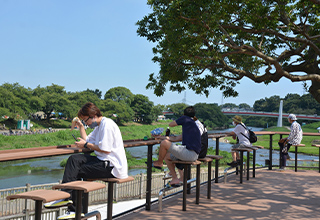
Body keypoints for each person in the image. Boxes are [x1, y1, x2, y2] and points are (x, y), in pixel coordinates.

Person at [45, 102, 128, 219]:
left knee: (75, 169)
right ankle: (72, 204)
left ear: (93, 116)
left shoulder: (107, 124)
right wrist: (81, 127)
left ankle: (68, 200)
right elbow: (87, 139)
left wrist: (86, 144)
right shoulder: (99, 126)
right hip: (103, 161)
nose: (86, 123)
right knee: (74, 160)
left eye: (85, 120)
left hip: (112, 166)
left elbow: (105, 149)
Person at [151, 106, 201, 186]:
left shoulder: (185, 119)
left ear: (184, 114)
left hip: (190, 154)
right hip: (193, 154)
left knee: (164, 143)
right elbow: (175, 138)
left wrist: (181, 118)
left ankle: (159, 163)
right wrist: (161, 137)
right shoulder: (192, 126)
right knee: (167, 156)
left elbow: (171, 124)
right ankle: (175, 178)